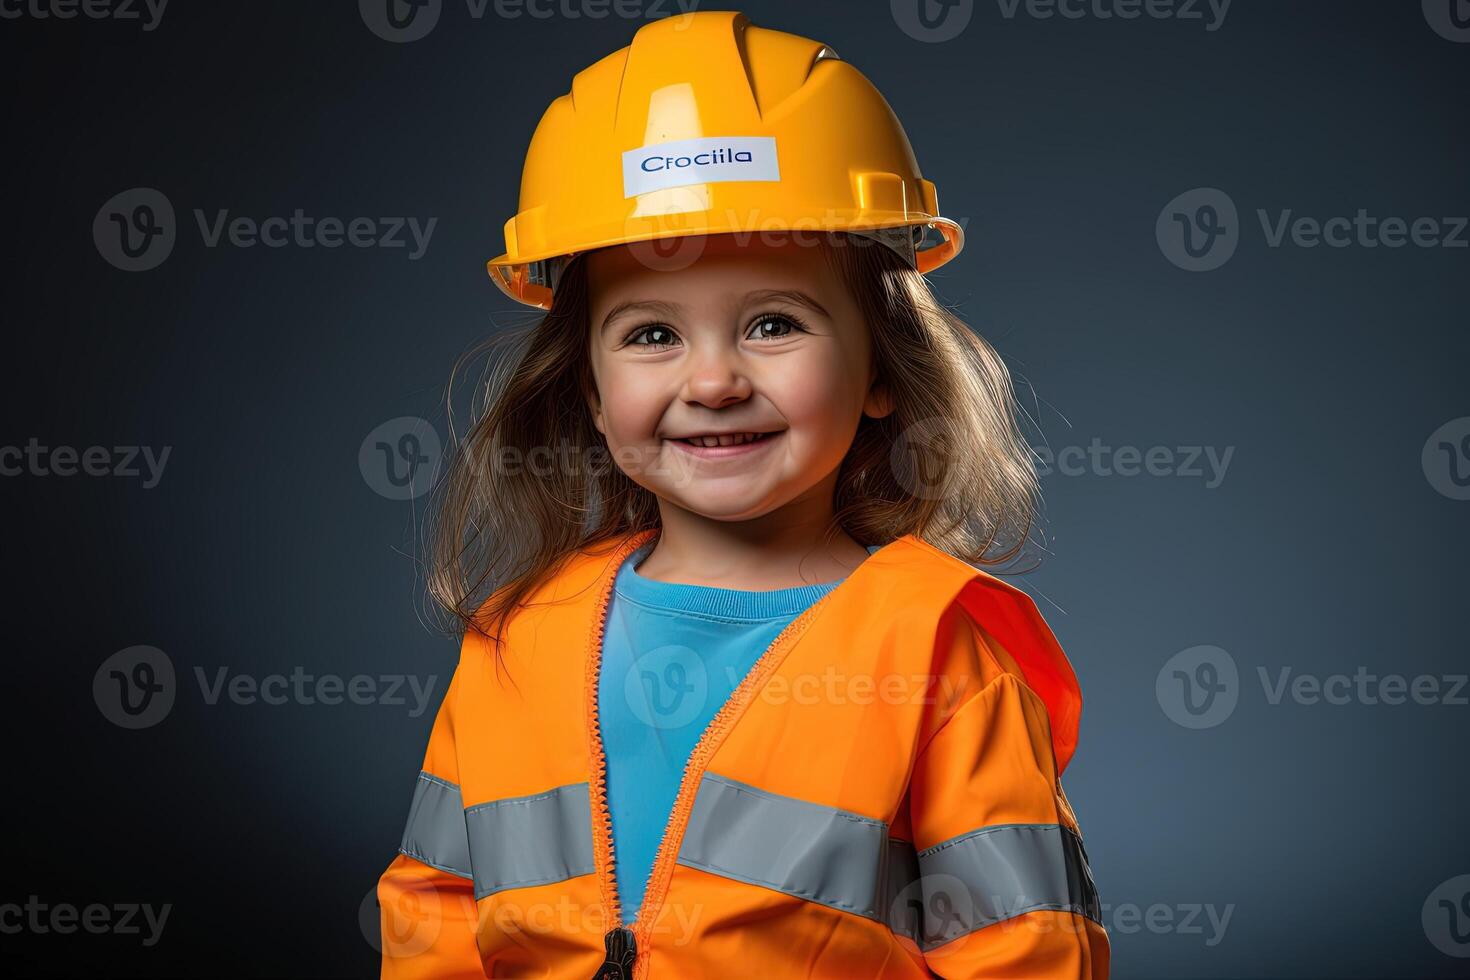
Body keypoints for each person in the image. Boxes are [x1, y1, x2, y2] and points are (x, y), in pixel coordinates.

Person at [377, 10, 1109, 979]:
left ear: (881, 369)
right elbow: (434, 911)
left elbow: (1026, 953)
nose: (713, 380)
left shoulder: (937, 646)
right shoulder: (519, 636)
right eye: (650, 334)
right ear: (590, 390)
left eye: (773, 322)